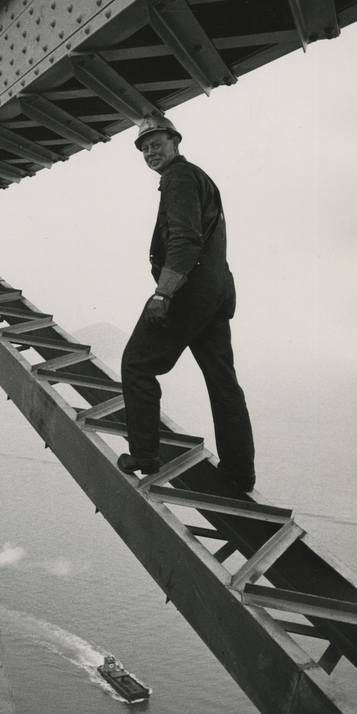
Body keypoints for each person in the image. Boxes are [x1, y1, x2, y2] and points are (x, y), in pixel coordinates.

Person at [117, 115, 256, 491]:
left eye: (156, 144)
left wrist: (163, 293)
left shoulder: (178, 177)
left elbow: (184, 240)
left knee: (136, 365)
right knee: (223, 380)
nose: (150, 152)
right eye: (144, 148)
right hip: (215, 295)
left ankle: (144, 455)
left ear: (175, 142)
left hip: (187, 294)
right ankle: (239, 473)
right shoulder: (200, 177)